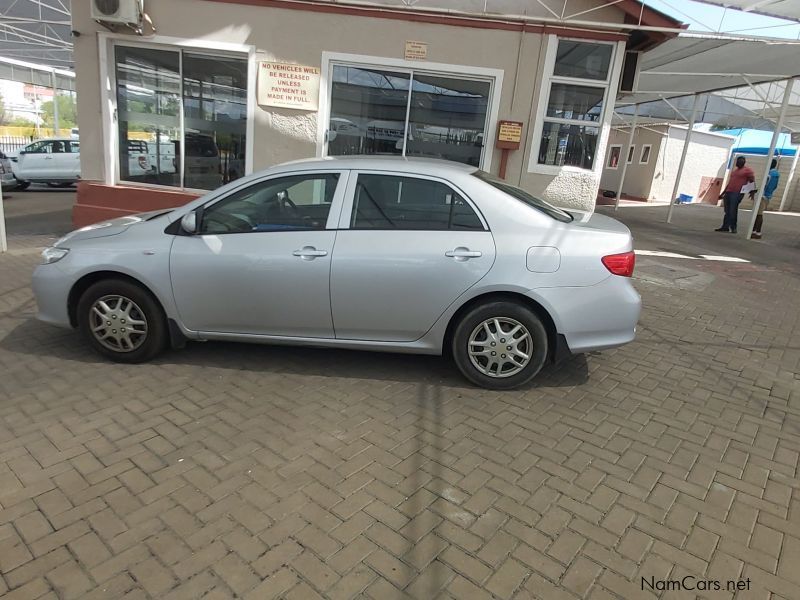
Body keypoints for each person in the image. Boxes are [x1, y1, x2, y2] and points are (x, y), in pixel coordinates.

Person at [716, 156, 755, 233]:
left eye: (739, 161)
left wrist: (752, 192)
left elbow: (752, 181)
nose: (737, 163)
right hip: (729, 192)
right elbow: (730, 183)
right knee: (727, 210)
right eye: (737, 161)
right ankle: (725, 226)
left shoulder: (747, 171)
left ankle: (733, 227)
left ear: (743, 162)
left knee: (733, 210)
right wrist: (723, 193)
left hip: (737, 193)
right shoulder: (735, 171)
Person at [752, 159, 780, 239]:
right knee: (758, 214)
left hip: (763, 195)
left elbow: (764, 185)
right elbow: (775, 186)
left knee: (759, 214)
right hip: (768, 195)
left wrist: (757, 191)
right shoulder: (776, 174)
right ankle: (754, 231)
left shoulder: (769, 174)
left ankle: (757, 232)